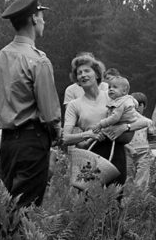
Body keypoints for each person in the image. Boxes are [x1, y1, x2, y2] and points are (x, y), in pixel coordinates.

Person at [0, 0, 61, 207]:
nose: (44, 21)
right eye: (41, 16)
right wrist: (56, 134)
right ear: (33, 18)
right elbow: (50, 114)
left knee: (11, 202)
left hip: (7, 142)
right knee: (27, 207)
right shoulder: (38, 60)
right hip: (32, 140)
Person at [62, 55, 148, 186]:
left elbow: (145, 122)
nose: (83, 75)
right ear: (77, 80)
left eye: (87, 71)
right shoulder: (74, 105)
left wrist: (124, 128)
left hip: (116, 151)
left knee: (115, 198)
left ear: (97, 74)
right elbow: (65, 138)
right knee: (89, 199)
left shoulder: (115, 98)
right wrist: (88, 134)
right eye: (79, 73)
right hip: (90, 154)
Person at [125, 92, 153, 190]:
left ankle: (140, 200)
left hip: (144, 152)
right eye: (134, 105)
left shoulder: (146, 121)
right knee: (128, 177)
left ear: (144, 106)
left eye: (140, 105)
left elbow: (151, 135)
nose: (137, 108)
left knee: (143, 177)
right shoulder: (125, 122)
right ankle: (128, 201)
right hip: (128, 151)